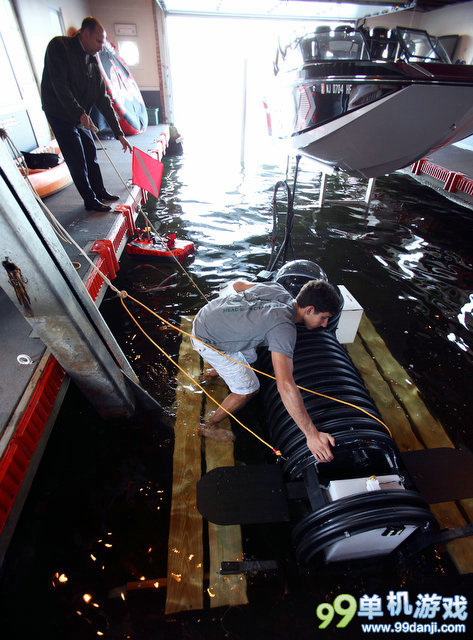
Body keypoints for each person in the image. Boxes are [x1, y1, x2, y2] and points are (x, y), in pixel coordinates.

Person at [191, 278, 341, 463]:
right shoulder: (283, 329)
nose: (325, 324)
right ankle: (208, 426)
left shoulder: (277, 289)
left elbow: (238, 285)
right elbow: (285, 385)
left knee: (251, 357)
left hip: (208, 313)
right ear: (309, 309)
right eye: (324, 317)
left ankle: (211, 374)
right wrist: (312, 435)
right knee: (249, 389)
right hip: (207, 340)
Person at [41, 16, 132, 212]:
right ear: (85, 33)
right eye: (98, 41)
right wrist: (79, 113)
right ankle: (89, 199)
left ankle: (99, 191)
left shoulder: (92, 62)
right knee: (76, 155)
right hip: (59, 112)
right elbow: (60, 87)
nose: (101, 46)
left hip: (80, 115)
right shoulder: (59, 47)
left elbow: (103, 99)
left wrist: (119, 133)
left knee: (90, 150)